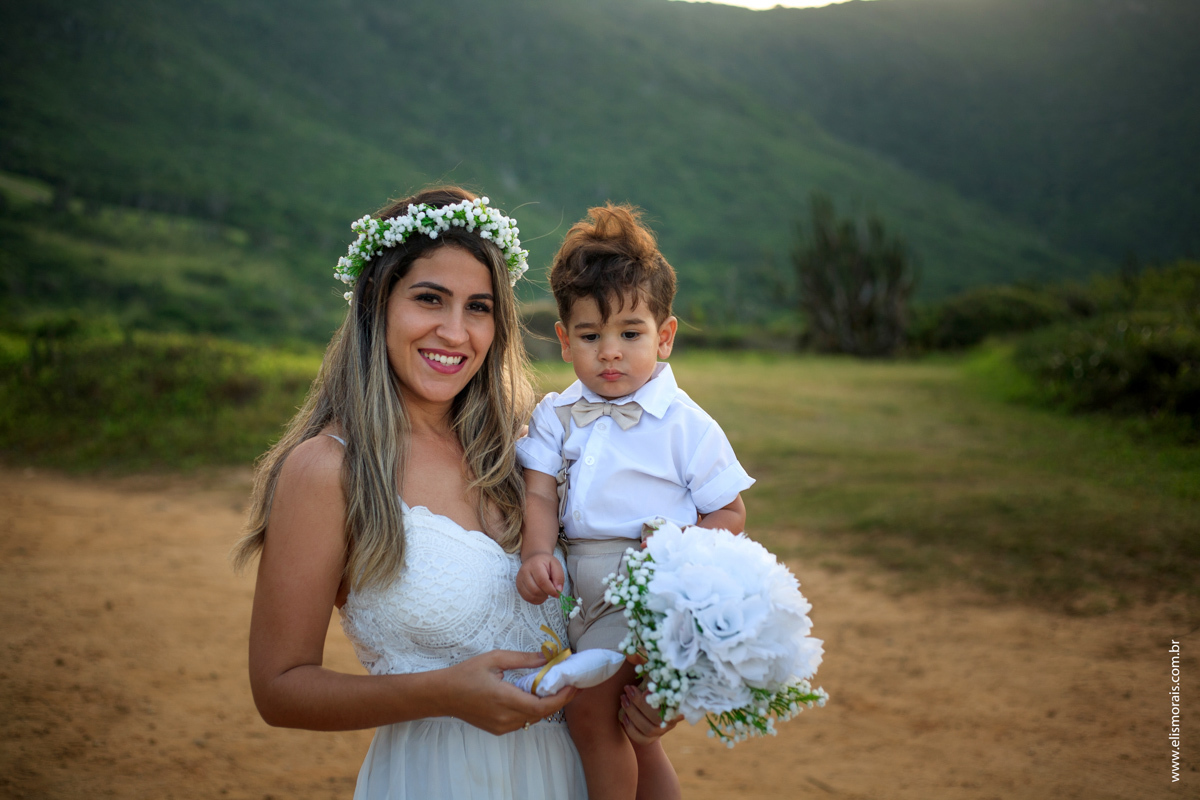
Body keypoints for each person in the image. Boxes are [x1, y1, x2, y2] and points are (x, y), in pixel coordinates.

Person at [232, 187, 675, 800]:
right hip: (444, 778)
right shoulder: (328, 471)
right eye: (429, 299)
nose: (454, 331)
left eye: (479, 307)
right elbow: (280, 688)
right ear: (376, 303)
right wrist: (442, 692)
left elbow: (616, 606)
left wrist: (652, 700)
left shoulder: (536, 449)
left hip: (585, 775)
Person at [515, 204, 755, 800]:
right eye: (591, 337)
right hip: (572, 585)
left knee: (592, 719)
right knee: (633, 731)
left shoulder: (685, 425)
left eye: (630, 334)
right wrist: (536, 552)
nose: (611, 353)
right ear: (565, 342)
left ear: (664, 336)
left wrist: (679, 558)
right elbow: (539, 490)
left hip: (640, 588)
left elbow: (729, 511)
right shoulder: (554, 414)